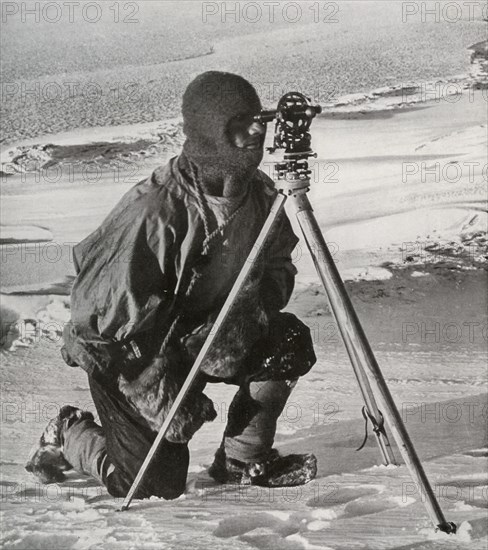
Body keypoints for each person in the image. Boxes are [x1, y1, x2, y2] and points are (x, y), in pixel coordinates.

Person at [26, 71, 318, 499]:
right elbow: (98, 314)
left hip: (207, 333)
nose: (258, 130)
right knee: (153, 485)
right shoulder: (155, 211)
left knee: (286, 339)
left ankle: (242, 458)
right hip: (132, 355)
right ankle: (71, 433)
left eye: (257, 118)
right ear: (211, 134)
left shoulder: (258, 194)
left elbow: (277, 263)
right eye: (240, 125)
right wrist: (161, 379)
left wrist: (240, 316)